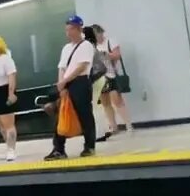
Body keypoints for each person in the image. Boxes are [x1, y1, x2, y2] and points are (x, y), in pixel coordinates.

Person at [46, 15, 98, 160]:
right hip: (66, 84)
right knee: (61, 114)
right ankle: (59, 149)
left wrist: (65, 81)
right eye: (66, 29)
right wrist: (60, 85)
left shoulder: (86, 45)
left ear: (78, 29)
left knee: (85, 115)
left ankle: (89, 146)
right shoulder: (66, 48)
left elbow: (82, 66)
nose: (68, 33)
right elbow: (61, 67)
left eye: (70, 29)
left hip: (80, 82)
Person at [90, 24, 133, 140]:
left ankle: (128, 125)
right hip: (99, 77)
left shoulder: (110, 41)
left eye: (96, 34)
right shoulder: (92, 46)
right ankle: (113, 126)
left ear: (100, 32)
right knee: (105, 103)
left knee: (117, 101)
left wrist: (105, 54)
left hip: (111, 74)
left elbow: (117, 55)